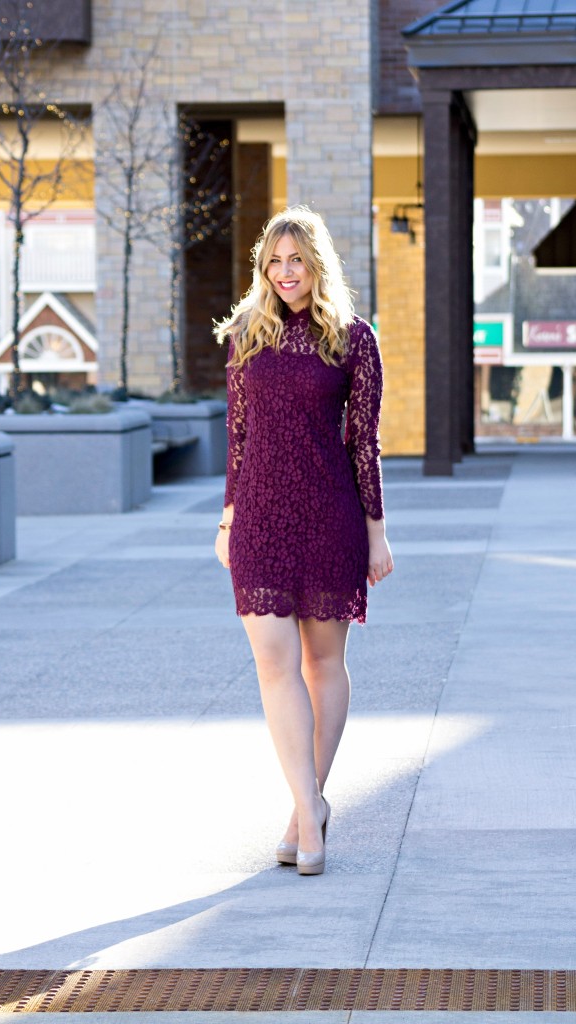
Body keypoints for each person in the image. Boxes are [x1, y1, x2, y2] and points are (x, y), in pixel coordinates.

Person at [214, 206, 392, 876]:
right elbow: (236, 438)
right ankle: (310, 807)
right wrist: (227, 519)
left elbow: (364, 445)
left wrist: (376, 535)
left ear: (316, 263)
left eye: (295, 260)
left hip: (329, 515)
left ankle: (301, 811)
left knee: (321, 667)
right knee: (272, 664)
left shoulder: (352, 339)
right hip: (259, 516)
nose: (284, 273)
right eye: (273, 263)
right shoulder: (246, 335)